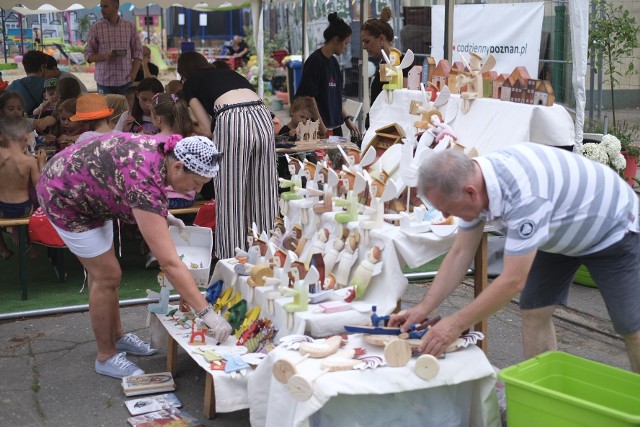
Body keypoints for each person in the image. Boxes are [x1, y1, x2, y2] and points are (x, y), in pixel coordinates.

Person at [389, 144, 640, 373]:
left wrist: (454, 324)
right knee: (534, 309)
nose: (444, 214)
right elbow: (460, 253)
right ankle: (542, 399)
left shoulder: (524, 195)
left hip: (613, 227)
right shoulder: (473, 182)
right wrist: (424, 307)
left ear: (470, 192)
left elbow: (512, 281)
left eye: (447, 208)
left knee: (632, 327)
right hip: (557, 228)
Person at [37, 133, 232, 378]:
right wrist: (207, 314)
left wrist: (160, 215)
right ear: (178, 167)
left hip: (89, 190)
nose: (197, 190)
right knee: (106, 275)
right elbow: (170, 263)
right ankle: (106, 355)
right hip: (63, 196)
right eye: (195, 182)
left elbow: (132, 186)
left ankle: (117, 337)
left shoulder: (164, 154)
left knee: (110, 276)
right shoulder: (145, 180)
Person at [177, 51, 278, 260]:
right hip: (262, 116)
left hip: (232, 117)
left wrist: (187, 126)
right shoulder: (229, 74)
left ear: (183, 74)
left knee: (231, 195)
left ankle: (232, 260)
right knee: (264, 192)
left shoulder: (191, 84)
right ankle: (269, 257)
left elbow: (207, 130)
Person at [295, 13, 359, 138]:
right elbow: (309, 97)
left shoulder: (334, 62)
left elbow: (336, 97)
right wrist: (322, 127)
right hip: (319, 130)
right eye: (346, 43)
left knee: (341, 157)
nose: (346, 47)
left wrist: (347, 120)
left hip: (335, 126)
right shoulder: (315, 61)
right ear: (336, 40)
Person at [0, 116, 47, 260]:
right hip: (23, 210)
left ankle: (3, 248)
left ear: (2, 138)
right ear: (26, 138)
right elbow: (41, 188)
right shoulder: (29, 161)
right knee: (34, 201)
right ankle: (27, 243)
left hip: (1, 209)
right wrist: (41, 163)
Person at [360, 7, 409, 128]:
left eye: (367, 41)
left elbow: (401, 103)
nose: (364, 47)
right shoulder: (383, 63)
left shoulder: (402, 64)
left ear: (381, 39)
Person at [84, 0, 143, 95]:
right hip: (104, 82)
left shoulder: (130, 26)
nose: (102, 10)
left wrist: (133, 74)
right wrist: (104, 57)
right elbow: (87, 55)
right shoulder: (96, 28)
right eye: (101, 7)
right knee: (106, 110)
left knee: (126, 110)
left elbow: (138, 52)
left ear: (116, 6)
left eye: (105, 6)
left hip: (126, 81)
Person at [6, 50, 49, 116]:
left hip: (17, 124)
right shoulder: (50, 86)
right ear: (42, 67)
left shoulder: (13, 86)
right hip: (42, 125)